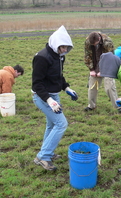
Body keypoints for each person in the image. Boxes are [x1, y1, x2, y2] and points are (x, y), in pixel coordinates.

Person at [32, 25, 78, 171]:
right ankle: (42, 157)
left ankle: (48, 153)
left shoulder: (59, 56)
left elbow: (58, 76)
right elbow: (37, 84)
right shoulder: (42, 58)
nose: (65, 50)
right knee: (61, 124)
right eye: (62, 47)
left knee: (52, 125)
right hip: (42, 96)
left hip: (53, 94)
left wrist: (66, 88)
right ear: (56, 44)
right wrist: (49, 101)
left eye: (67, 47)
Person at [84, 31, 121, 113]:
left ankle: (118, 106)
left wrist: (102, 70)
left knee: (109, 87)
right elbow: (87, 56)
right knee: (92, 87)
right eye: (92, 44)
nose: (93, 45)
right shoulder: (88, 41)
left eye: (95, 43)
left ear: (99, 39)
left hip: (107, 67)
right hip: (95, 65)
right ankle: (91, 105)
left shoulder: (108, 42)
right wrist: (92, 70)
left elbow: (110, 58)